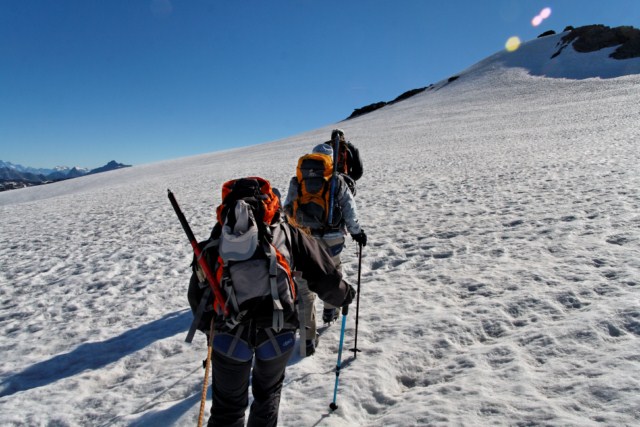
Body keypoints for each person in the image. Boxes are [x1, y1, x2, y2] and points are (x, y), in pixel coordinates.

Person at [187, 177, 356, 427]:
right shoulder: (287, 233)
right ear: (270, 201)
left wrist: (212, 331)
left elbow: (197, 297)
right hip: (277, 334)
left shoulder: (217, 239)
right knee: (267, 398)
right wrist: (344, 295)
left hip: (229, 338)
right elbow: (325, 277)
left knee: (227, 409)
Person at [284, 143, 367, 356]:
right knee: (331, 275)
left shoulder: (297, 180)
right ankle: (330, 311)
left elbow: (288, 208)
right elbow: (349, 207)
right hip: (332, 240)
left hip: (304, 240)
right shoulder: (336, 180)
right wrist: (356, 231)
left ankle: (307, 342)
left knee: (304, 290)